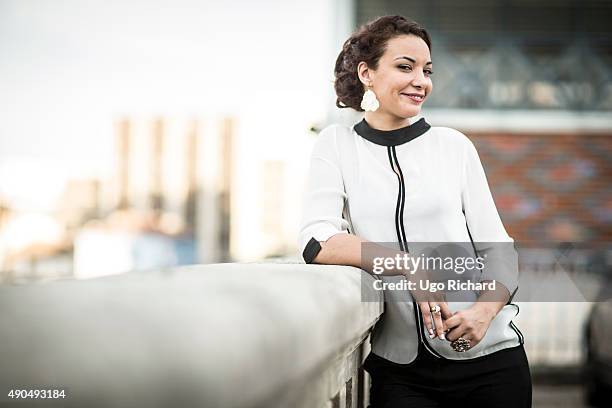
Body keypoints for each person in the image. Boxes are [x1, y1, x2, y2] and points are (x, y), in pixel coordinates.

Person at [298, 15, 532, 408]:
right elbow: (316, 241)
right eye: (405, 67)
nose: (421, 80)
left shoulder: (453, 146)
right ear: (367, 73)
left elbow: (499, 251)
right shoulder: (336, 145)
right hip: (402, 374)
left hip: (491, 363)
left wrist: (483, 313)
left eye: (427, 70)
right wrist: (407, 265)